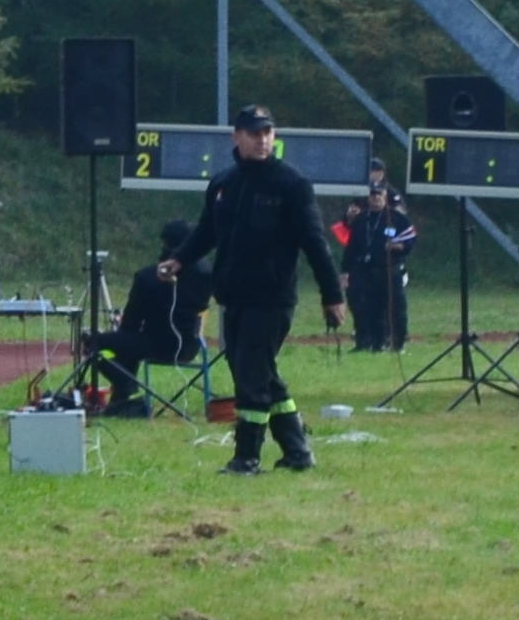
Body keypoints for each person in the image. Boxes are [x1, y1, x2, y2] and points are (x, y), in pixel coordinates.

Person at [191, 103, 344, 474]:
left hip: (272, 297)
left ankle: (246, 456)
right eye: (254, 133)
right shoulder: (224, 183)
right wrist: (178, 260)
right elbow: (206, 232)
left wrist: (332, 295)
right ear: (237, 137)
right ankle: (297, 452)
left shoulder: (291, 184)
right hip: (233, 296)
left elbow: (315, 243)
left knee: (251, 376)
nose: (262, 140)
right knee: (258, 372)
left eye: (267, 133)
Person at [92, 218, 205, 414]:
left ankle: (125, 383)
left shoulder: (147, 277)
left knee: (94, 343)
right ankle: (120, 400)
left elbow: (131, 323)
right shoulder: (206, 274)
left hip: (157, 345)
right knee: (129, 344)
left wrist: (122, 326)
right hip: (190, 346)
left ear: (167, 245)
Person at [343, 171, 416, 355]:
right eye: (372, 195)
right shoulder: (362, 219)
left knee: (396, 307)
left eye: (379, 194)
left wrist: (399, 246)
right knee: (369, 307)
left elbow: (410, 238)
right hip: (366, 270)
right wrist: (345, 271)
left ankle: (398, 344)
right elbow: (351, 247)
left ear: (385, 196)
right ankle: (372, 343)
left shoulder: (397, 218)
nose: (376, 198)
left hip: (390, 269)